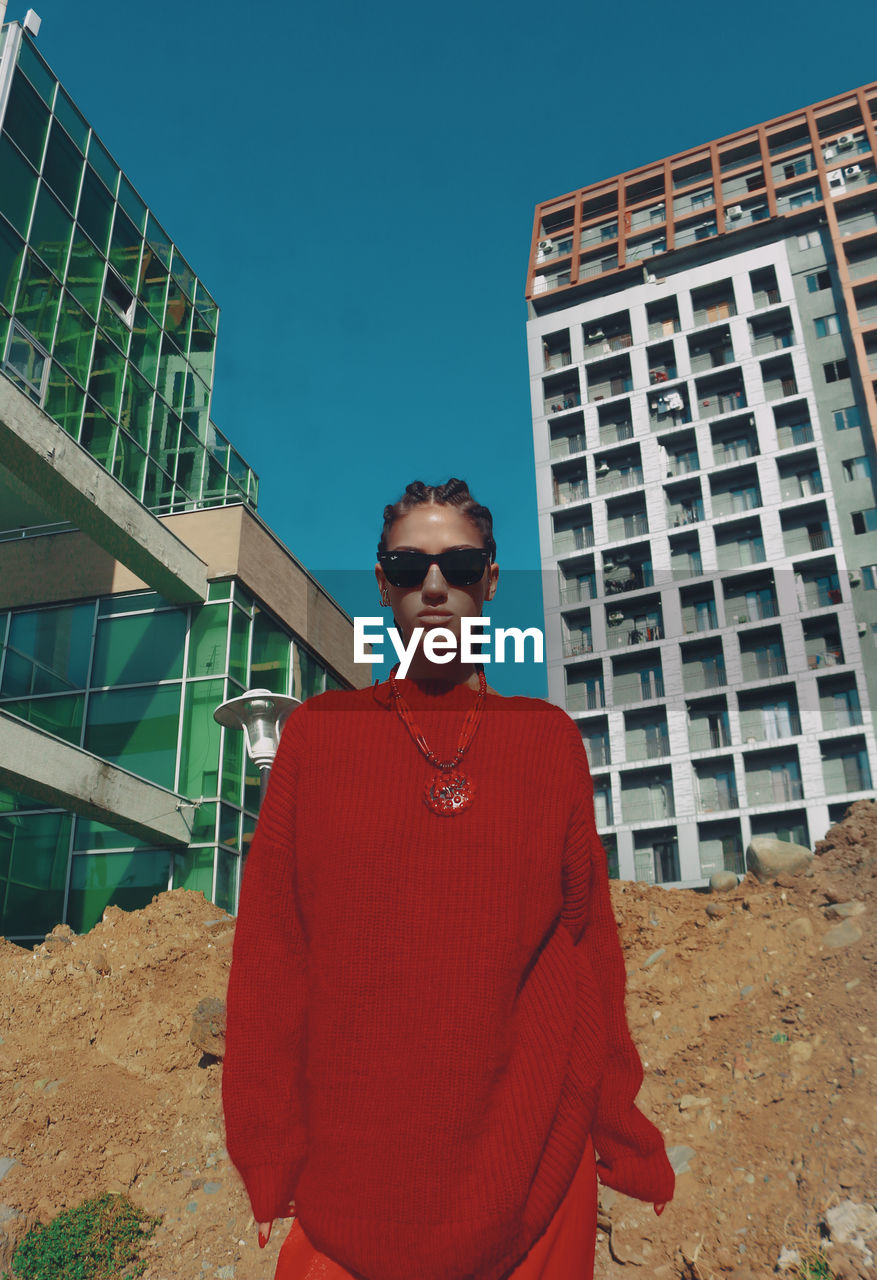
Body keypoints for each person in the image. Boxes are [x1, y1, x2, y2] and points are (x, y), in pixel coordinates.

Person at [221, 478, 674, 1280]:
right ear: (384, 583)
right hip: (352, 1175)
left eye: (460, 565)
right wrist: (268, 1151)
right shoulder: (319, 740)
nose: (435, 586)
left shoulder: (546, 741)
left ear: (491, 581)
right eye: (410, 565)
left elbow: (589, 947)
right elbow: (270, 955)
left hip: (533, 1164)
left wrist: (619, 1128)